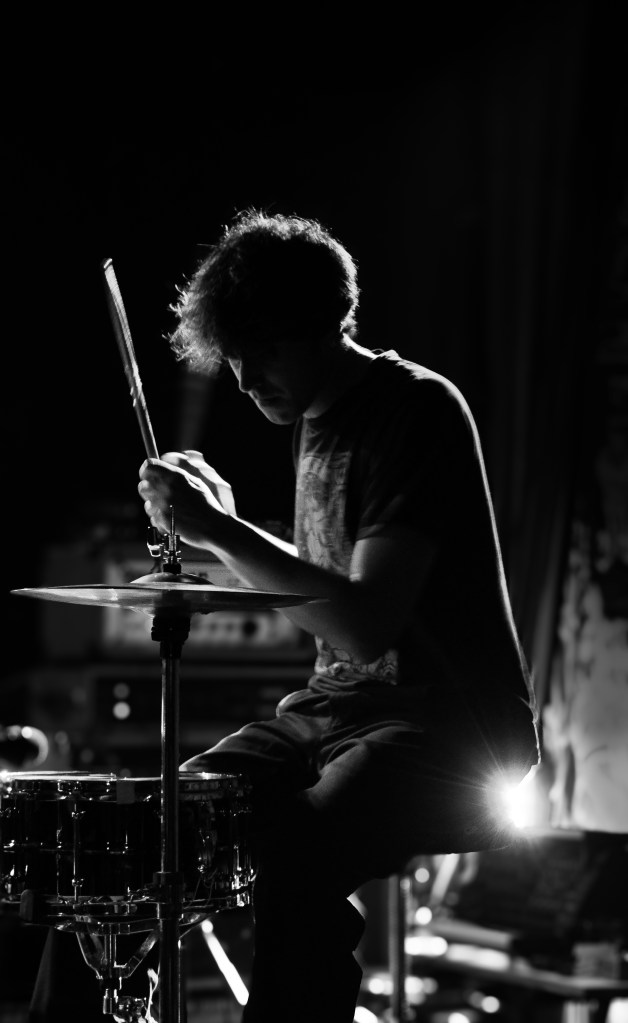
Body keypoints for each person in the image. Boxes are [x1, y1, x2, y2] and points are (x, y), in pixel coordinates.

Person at [137, 209, 540, 1022]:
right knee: (164, 819)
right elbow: (335, 591)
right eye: (234, 357)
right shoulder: (313, 420)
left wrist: (219, 530)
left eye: (262, 352)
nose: (244, 379)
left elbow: (363, 624)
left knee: (299, 850)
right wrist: (223, 526)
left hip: (448, 725)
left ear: (324, 324)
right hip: (334, 712)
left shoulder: (417, 409)